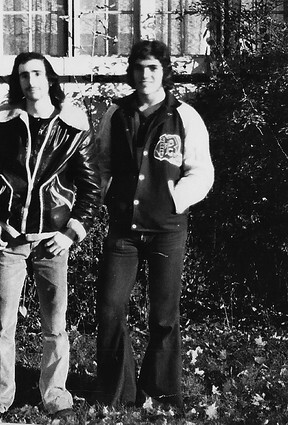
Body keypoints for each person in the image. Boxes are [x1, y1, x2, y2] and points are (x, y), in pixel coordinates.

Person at [0, 52, 101, 422]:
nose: (31, 81)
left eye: (37, 73)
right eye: (24, 75)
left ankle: (56, 396)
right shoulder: (5, 122)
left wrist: (72, 233)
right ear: (18, 81)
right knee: (2, 322)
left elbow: (91, 187)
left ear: (49, 78)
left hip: (52, 239)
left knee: (55, 325)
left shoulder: (73, 126)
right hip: (10, 236)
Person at [95, 40, 214, 411]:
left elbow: (201, 171)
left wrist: (175, 200)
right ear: (131, 72)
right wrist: (105, 198)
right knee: (110, 308)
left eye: (153, 68)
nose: (145, 75)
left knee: (164, 316)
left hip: (167, 230)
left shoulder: (184, 116)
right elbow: (100, 164)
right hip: (124, 231)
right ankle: (119, 393)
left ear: (164, 73)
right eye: (139, 68)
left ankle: (161, 394)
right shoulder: (116, 114)